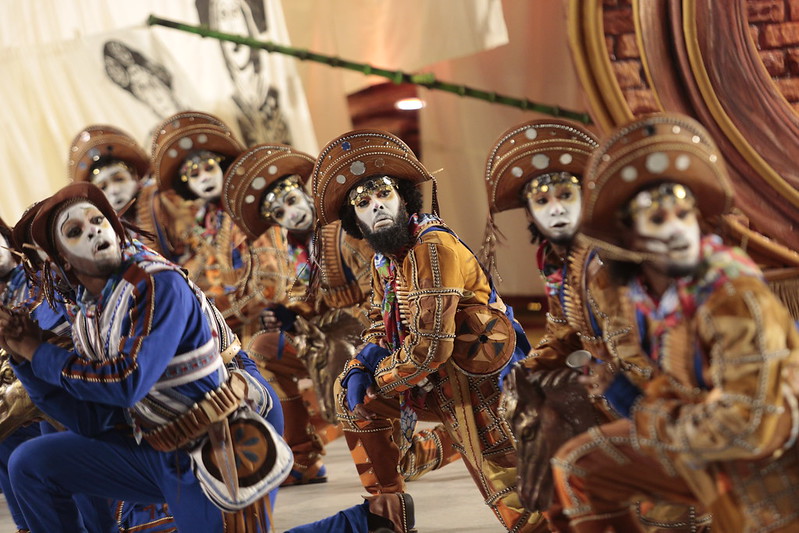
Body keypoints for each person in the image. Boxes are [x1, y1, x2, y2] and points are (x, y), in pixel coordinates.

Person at [550, 113, 799, 532]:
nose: (677, 231)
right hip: (702, 447)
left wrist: (647, 415)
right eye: (658, 220)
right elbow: (672, 385)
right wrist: (626, 390)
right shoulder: (656, 298)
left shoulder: (733, 295)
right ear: (629, 238)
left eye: (683, 215)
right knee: (581, 465)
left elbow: (750, 428)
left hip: (770, 466)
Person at [289, 129, 545, 532]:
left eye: (383, 196)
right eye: (364, 203)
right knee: (350, 396)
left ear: (403, 197)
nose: (377, 208)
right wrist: (361, 363)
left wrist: (378, 378)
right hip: (431, 381)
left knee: (510, 494)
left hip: (478, 383)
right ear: (355, 219)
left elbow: (431, 350)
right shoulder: (384, 259)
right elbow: (378, 322)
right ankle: (388, 509)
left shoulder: (432, 246)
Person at [0, 182, 290, 533]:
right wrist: (24, 360)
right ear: (59, 260)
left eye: (97, 221)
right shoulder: (88, 314)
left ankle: (366, 518)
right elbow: (93, 422)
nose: (92, 231)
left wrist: (37, 351)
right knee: (30, 463)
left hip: (217, 434)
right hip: (158, 441)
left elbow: (128, 383)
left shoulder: (155, 280)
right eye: (75, 232)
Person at [482, 119, 708, 531]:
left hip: (674, 403)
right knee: (535, 407)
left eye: (566, 195)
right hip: (617, 384)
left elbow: (640, 349)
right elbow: (563, 329)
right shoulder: (562, 258)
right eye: (543, 200)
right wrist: (531, 368)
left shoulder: (607, 261)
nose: (556, 208)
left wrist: (627, 395)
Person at [222, 142, 376, 485]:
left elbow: (376, 290)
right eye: (280, 214)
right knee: (261, 349)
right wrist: (286, 314)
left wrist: (318, 314)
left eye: (292, 202)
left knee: (344, 354)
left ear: (306, 196)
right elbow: (306, 298)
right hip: (327, 335)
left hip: (368, 333)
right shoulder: (297, 247)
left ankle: (390, 450)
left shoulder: (343, 231)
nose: (290, 215)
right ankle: (301, 454)